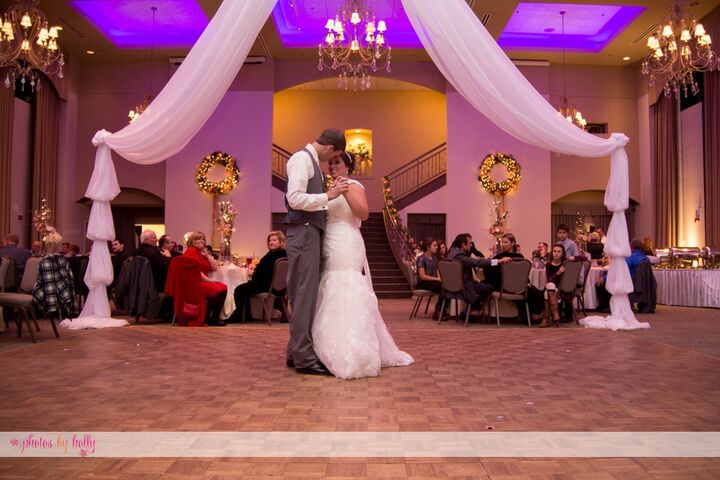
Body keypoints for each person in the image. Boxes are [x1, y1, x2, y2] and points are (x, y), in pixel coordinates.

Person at [312, 151, 413, 379]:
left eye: (337, 162)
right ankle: (326, 346)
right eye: (330, 163)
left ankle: (355, 349)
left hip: (347, 240)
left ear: (348, 166)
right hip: (330, 241)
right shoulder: (326, 188)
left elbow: (363, 214)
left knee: (347, 284)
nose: (333, 166)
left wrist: (344, 191)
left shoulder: (355, 185)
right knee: (329, 286)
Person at [284, 128, 349, 375]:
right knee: (304, 296)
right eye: (335, 156)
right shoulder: (302, 159)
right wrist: (329, 195)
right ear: (331, 148)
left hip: (309, 231)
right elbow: (294, 199)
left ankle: (295, 351)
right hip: (304, 231)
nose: (332, 162)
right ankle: (303, 357)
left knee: (305, 295)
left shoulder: (310, 161)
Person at [447, 233, 511, 316]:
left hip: (452, 285)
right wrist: (498, 261)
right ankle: (472, 309)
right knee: (490, 286)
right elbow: (476, 262)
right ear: (463, 245)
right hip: (464, 286)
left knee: (482, 284)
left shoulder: (451, 252)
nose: (471, 245)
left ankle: (470, 310)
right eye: (470, 243)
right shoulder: (459, 255)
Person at [231, 231, 287, 323]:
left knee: (239, 290)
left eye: (274, 240)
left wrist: (253, 273)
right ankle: (247, 315)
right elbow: (267, 269)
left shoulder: (274, 255)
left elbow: (266, 272)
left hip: (266, 286)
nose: (271, 242)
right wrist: (256, 269)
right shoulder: (281, 254)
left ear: (280, 242)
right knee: (245, 288)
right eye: (270, 241)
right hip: (278, 287)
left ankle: (239, 315)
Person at [184, 231, 228, 326]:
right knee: (218, 290)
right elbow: (195, 271)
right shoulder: (191, 251)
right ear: (193, 241)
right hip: (195, 282)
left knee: (223, 287)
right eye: (198, 239)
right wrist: (209, 280)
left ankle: (213, 317)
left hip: (202, 281)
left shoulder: (200, 253)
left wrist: (207, 255)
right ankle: (207, 317)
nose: (202, 241)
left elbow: (215, 267)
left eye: (203, 239)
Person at [416, 237, 443, 320]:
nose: (437, 247)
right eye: (434, 245)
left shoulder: (435, 258)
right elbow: (422, 276)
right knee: (442, 287)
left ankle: (440, 310)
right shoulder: (421, 259)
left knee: (447, 286)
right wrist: (437, 279)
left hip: (432, 282)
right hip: (423, 283)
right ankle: (438, 311)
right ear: (428, 247)